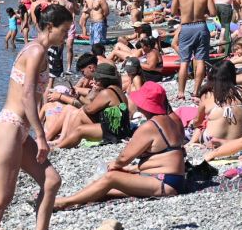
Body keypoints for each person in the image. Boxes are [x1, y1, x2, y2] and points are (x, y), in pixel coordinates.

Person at [0, 4, 72, 230]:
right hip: (9, 128)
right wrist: (41, 136)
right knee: (2, 199)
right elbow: (26, 97)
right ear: (50, 27)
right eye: (64, 31)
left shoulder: (39, 50)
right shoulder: (35, 52)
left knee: (51, 181)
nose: (66, 36)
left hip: (17, 131)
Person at [54, 82, 186, 209]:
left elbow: (123, 158)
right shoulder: (170, 121)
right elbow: (164, 156)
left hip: (163, 182)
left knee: (111, 177)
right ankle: (76, 199)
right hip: (173, 179)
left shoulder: (150, 127)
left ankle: (65, 202)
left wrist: (114, 165)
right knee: (104, 190)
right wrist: (132, 169)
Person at [51, 63, 131, 149]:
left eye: (96, 79)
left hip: (114, 132)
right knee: (79, 113)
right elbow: (91, 105)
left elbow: (89, 109)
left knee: (80, 128)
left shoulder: (106, 93)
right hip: (122, 128)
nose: (94, 81)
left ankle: (59, 146)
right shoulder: (116, 89)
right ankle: (66, 140)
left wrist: (84, 106)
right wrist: (78, 97)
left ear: (102, 80)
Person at [172, 0, 216, 101]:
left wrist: (183, 13)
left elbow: (173, 11)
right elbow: (213, 13)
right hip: (201, 26)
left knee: (185, 61)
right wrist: (202, 13)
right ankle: (196, 91)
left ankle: (181, 92)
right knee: (201, 59)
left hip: (186, 26)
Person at [191, 60, 242, 145]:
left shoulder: (207, 95)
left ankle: (191, 143)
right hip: (238, 141)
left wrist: (192, 124)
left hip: (213, 141)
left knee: (200, 126)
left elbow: (198, 121)